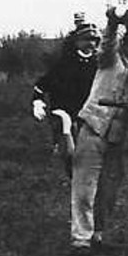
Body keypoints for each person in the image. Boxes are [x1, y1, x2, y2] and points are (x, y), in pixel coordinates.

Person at [68, 10, 128, 250]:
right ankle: (81, 238)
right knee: (84, 187)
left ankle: (98, 232)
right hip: (93, 129)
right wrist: (113, 21)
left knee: (109, 189)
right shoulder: (110, 60)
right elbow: (108, 41)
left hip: (117, 138)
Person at [30, 13, 101, 176]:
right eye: (86, 40)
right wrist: (38, 102)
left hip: (89, 115)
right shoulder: (63, 64)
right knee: (70, 154)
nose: (90, 44)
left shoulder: (98, 66)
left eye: (93, 40)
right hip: (65, 114)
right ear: (77, 42)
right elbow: (42, 85)